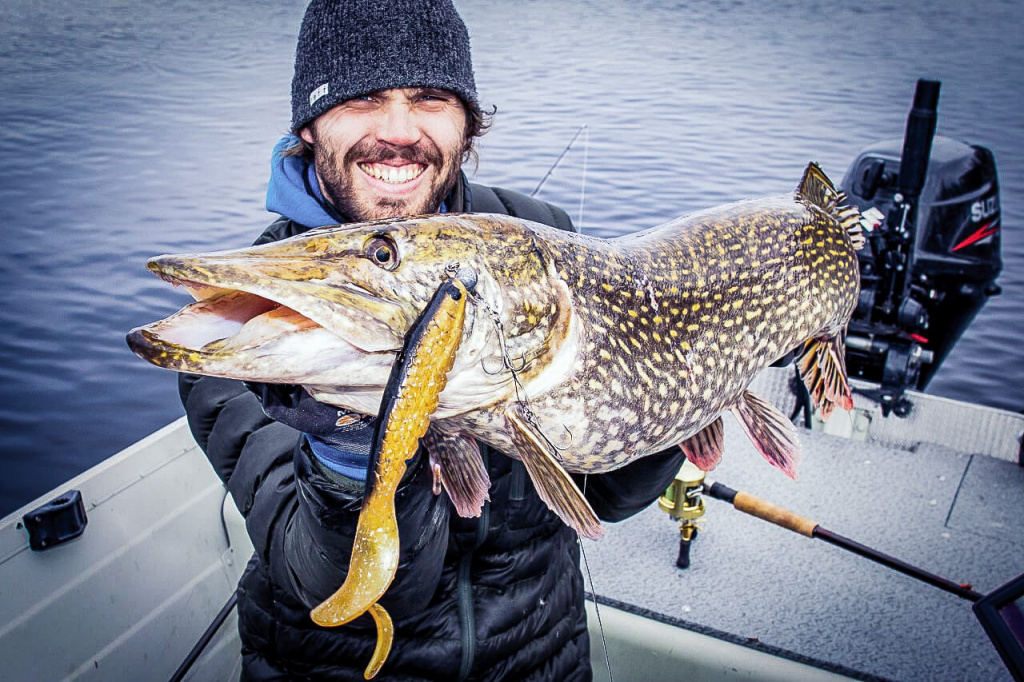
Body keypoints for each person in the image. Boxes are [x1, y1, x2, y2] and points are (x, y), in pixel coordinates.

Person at [178, 0, 686, 679]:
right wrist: (353, 450)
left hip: (539, 659)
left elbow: (609, 496)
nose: (397, 131)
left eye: (430, 98)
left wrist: (690, 385)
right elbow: (330, 586)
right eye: (361, 99)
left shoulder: (543, 236)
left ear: (468, 123)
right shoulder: (250, 325)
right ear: (309, 124)